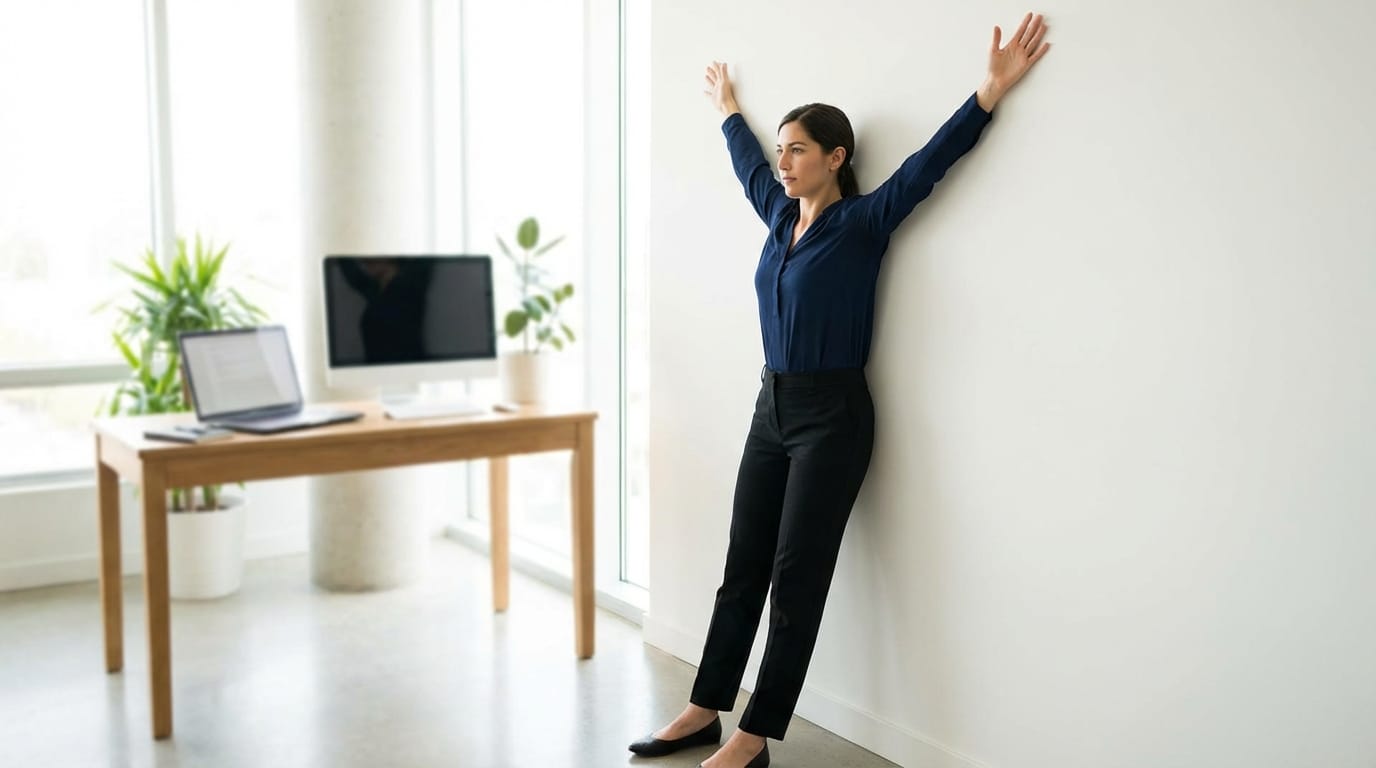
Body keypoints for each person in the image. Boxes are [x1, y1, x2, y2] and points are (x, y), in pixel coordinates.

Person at [628, 12, 1052, 768]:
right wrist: (729, 109)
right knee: (742, 563)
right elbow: (747, 167)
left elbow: (930, 164)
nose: (784, 163)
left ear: (836, 157)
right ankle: (703, 708)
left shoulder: (863, 223)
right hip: (771, 406)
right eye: (782, 149)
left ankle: (754, 738)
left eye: (798, 150)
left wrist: (988, 93)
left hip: (834, 417)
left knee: (795, 578)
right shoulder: (776, 218)